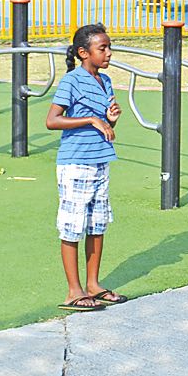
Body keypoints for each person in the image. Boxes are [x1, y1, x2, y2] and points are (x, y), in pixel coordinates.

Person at [47, 23, 125, 311]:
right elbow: (52, 120)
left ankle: (93, 285)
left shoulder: (105, 81)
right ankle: (73, 291)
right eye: (102, 48)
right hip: (75, 162)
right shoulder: (71, 81)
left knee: (97, 224)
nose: (108, 53)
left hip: (100, 159)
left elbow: (103, 121)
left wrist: (110, 119)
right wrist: (92, 120)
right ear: (83, 52)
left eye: (108, 47)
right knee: (72, 226)